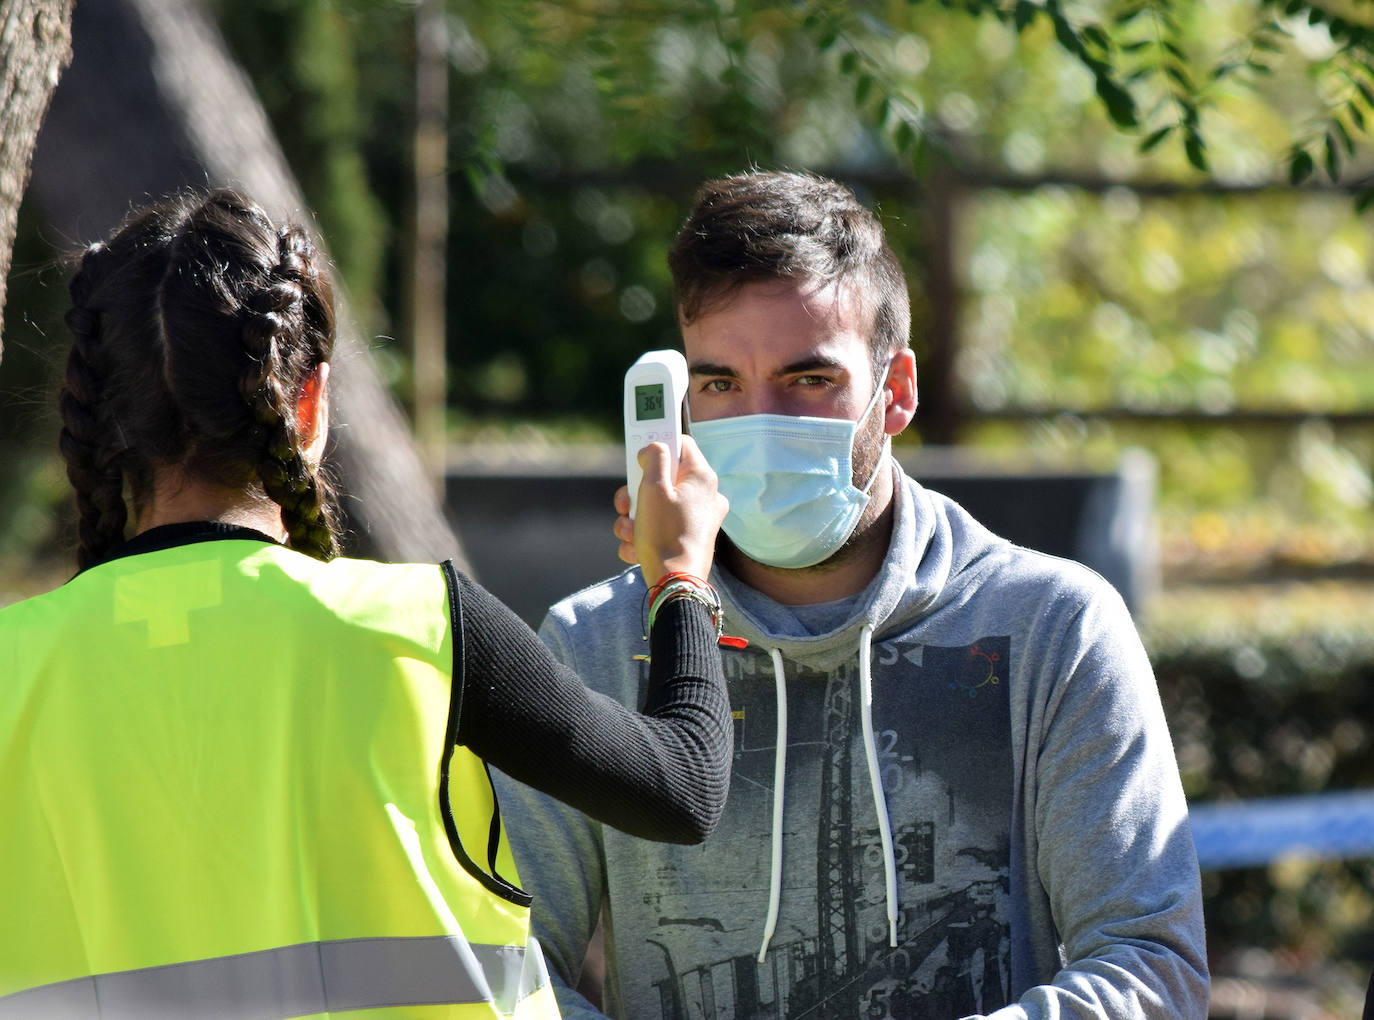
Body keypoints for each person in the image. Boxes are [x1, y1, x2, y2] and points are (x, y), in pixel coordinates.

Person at [0, 188, 734, 1019]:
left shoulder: (12, 665)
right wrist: (679, 572)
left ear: (102, 417)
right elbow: (682, 787)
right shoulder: (422, 628)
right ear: (307, 405)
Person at [493, 169, 1210, 1018]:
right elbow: (508, 977)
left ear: (895, 391)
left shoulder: (1056, 626)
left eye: (809, 380)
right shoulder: (593, 645)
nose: (758, 419)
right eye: (718, 384)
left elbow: (1149, 970)